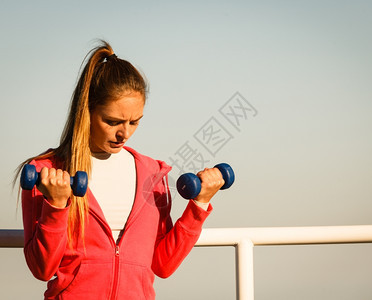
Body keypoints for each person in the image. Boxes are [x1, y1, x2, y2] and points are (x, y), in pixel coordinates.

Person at [16, 40, 225, 300]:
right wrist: (56, 205)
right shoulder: (46, 173)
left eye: (134, 122)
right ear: (87, 111)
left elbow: (163, 265)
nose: (123, 133)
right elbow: (42, 269)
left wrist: (200, 205)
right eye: (112, 121)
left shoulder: (152, 173)